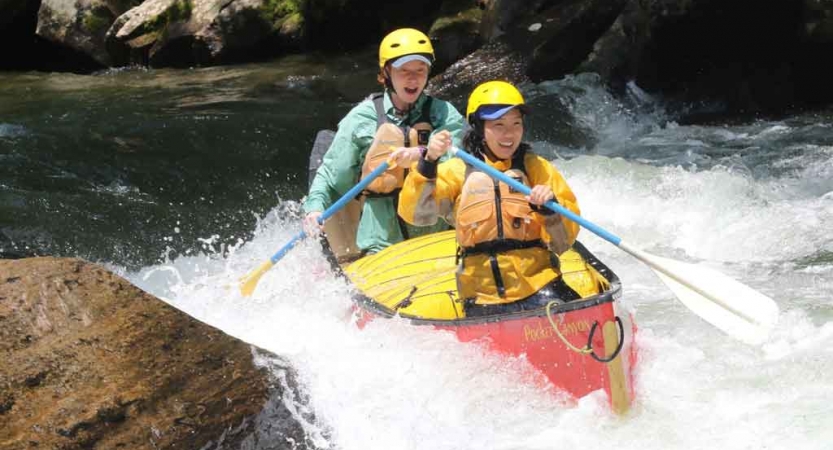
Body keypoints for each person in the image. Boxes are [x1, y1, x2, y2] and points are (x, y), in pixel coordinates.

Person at [398, 80, 582, 317]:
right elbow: (415, 215)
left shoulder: (536, 169)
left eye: (516, 124)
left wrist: (550, 210)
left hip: (540, 285)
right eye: (499, 125)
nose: (509, 134)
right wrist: (428, 161)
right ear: (478, 128)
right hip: (481, 294)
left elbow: (564, 241)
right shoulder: (457, 171)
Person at [303, 28, 466, 256]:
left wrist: (421, 154)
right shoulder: (361, 119)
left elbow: (458, 164)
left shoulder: (444, 114)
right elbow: (332, 175)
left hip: (436, 234)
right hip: (381, 242)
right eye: (404, 71)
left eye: (420, 70)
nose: (413, 78)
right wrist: (314, 208)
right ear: (386, 73)